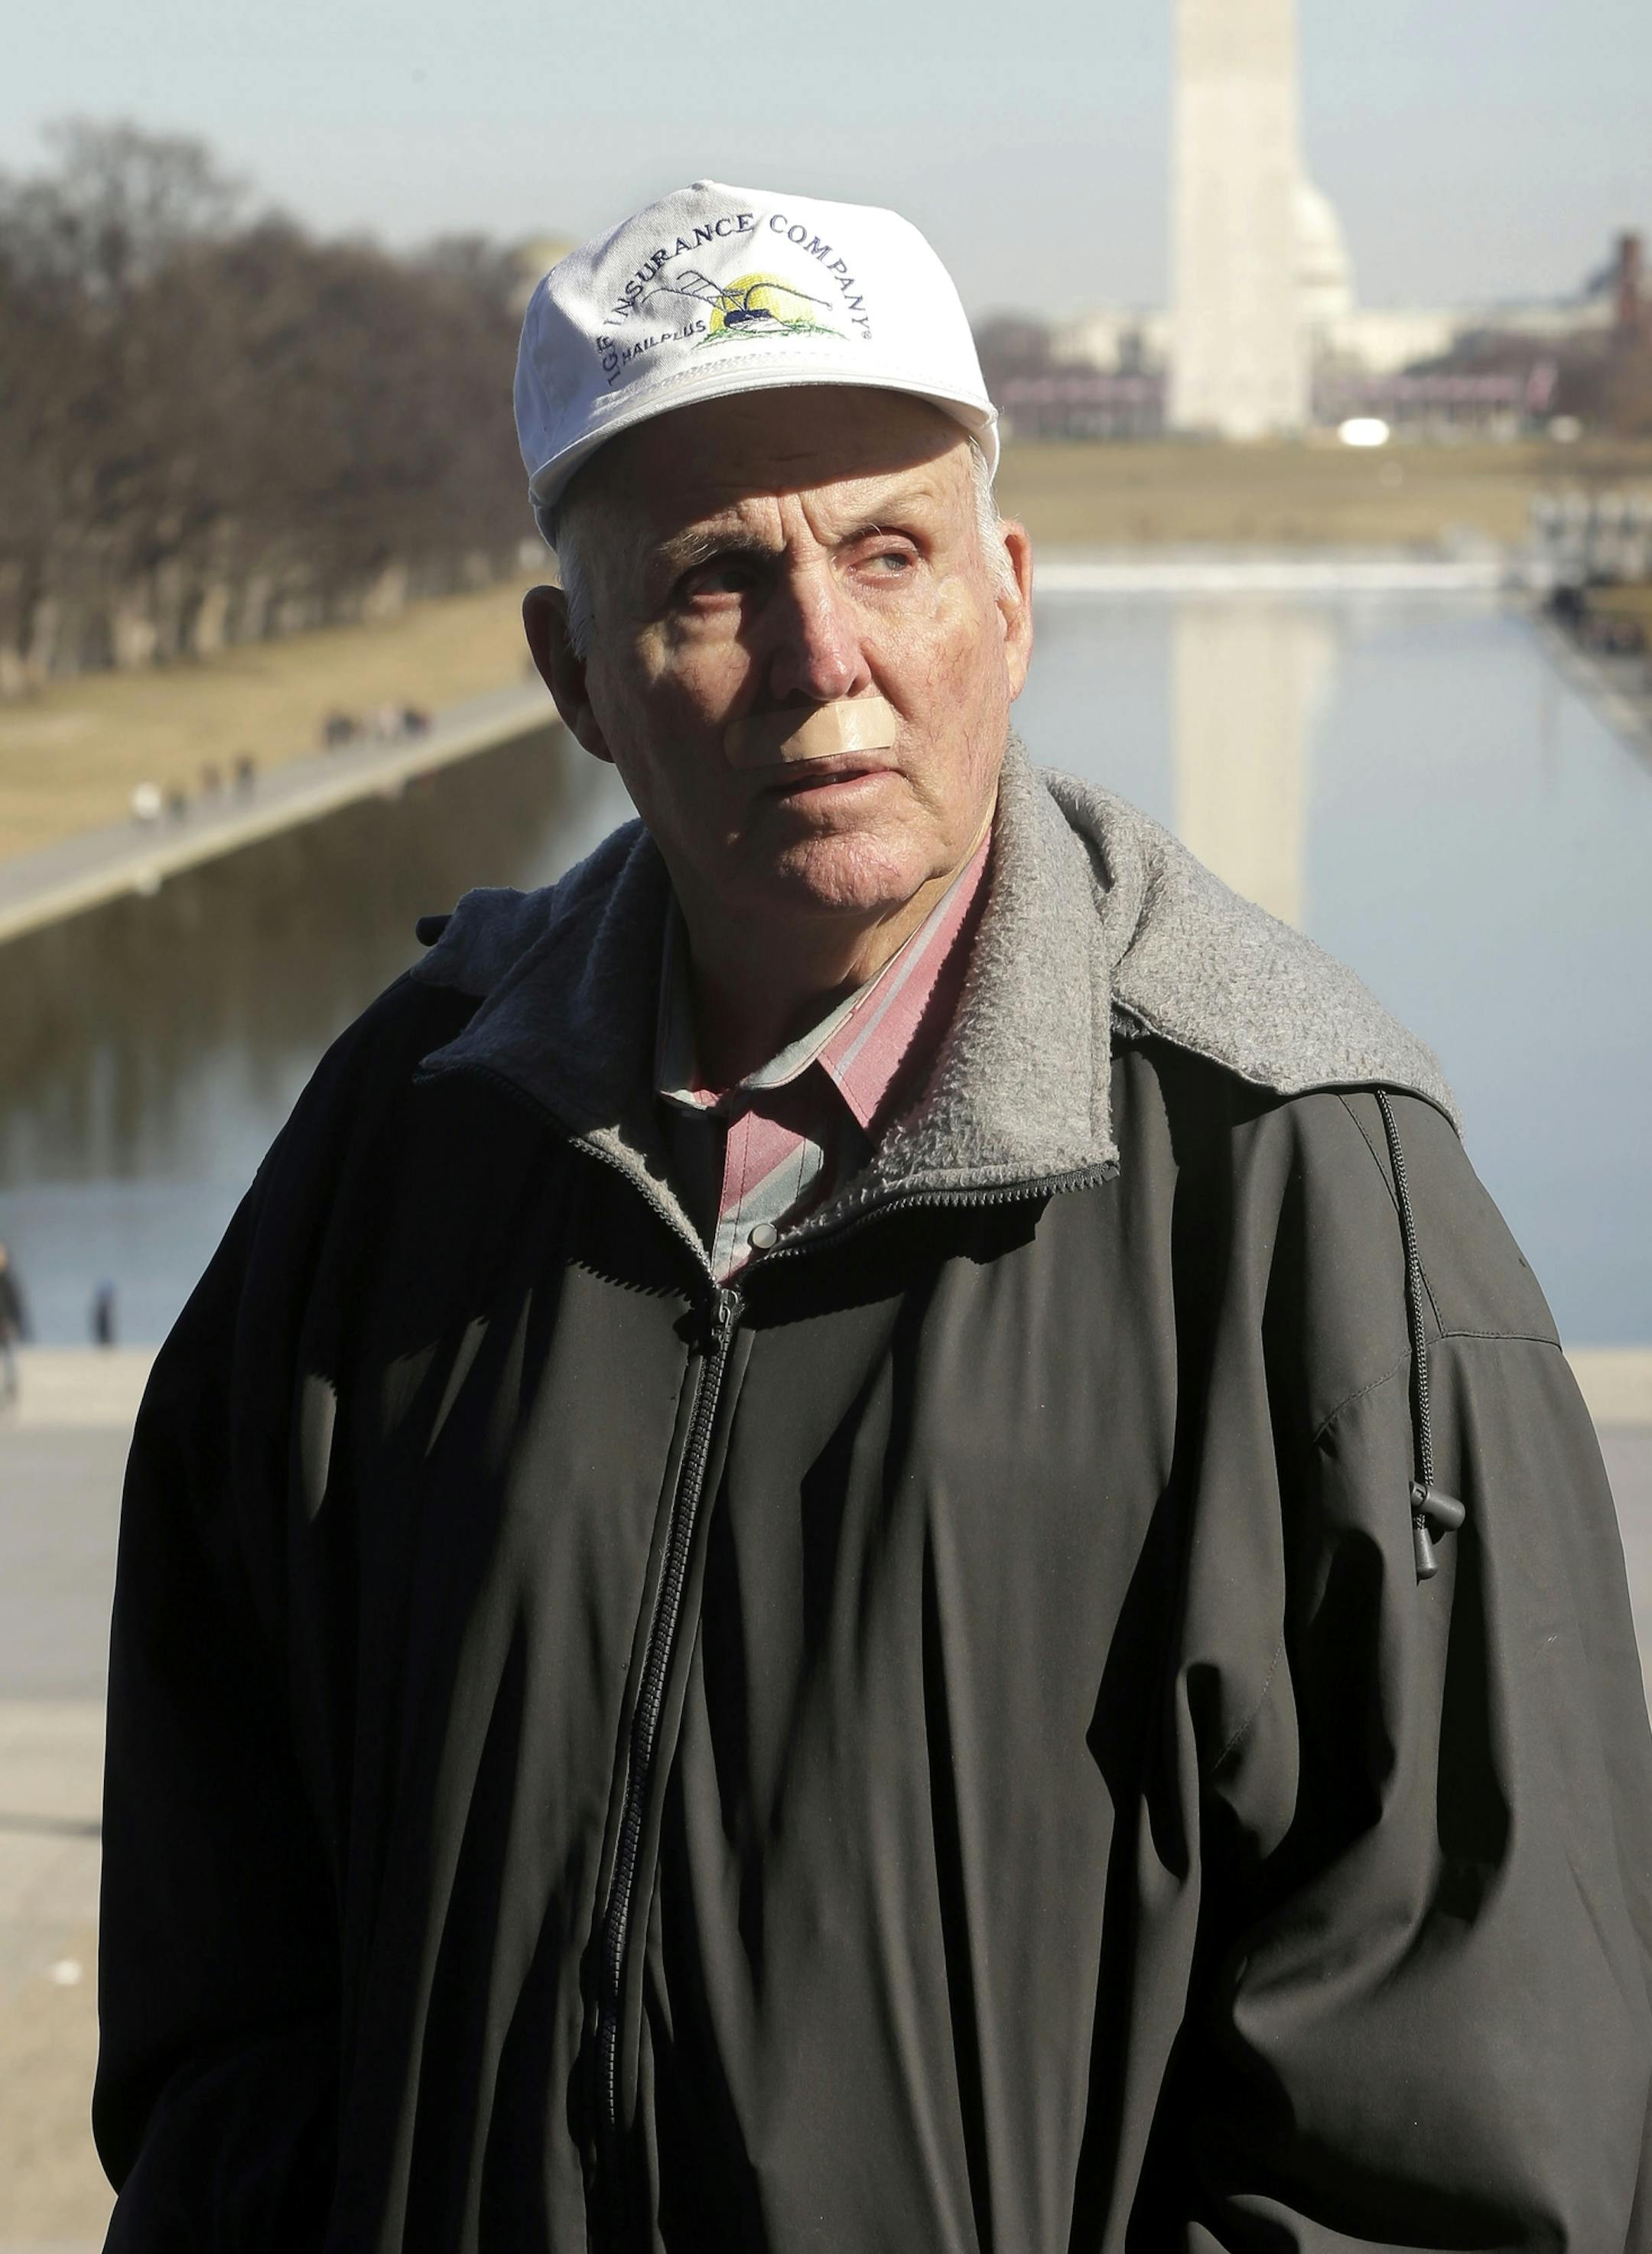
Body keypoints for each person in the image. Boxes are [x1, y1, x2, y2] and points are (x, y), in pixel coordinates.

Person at [96, 182, 1652, 2252]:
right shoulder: (403, 1137)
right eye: (719, 579)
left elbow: (1464, 2117)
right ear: (574, 668)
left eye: (890, 552)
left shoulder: (1306, 1176)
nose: (827, 661)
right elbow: (229, 1961)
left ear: (1010, 601)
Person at [0, 1241, 27, 1405]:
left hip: (6, 1326)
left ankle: (10, 1389)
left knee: (9, 1359)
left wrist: (15, 1323)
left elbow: (17, 1305)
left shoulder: (9, 1282)